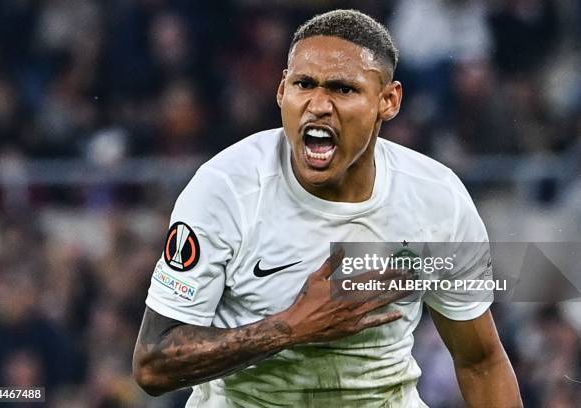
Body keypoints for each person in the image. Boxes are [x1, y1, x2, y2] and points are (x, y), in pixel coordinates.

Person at [133, 9, 522, 407]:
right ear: (282, 90)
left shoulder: (436, 198)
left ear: (388, 101)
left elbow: (480, 360)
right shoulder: (225, 189)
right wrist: (291, 327)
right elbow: (153, 364)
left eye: (342, 89)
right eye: (304, 84)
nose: (318, 105)